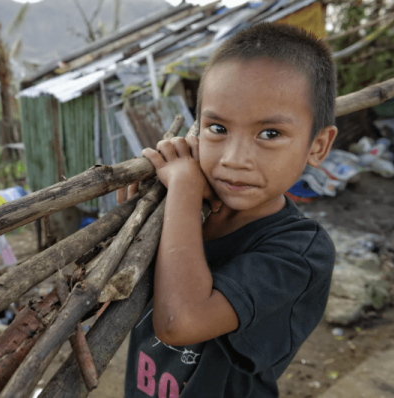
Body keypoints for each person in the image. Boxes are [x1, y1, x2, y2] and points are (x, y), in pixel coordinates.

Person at [119, 23, 338, 397]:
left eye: (269, 134)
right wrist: (140, 201)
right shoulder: (187, 209)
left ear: (317, 146)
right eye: (218, 127)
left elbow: (179, 322)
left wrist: (185, 188)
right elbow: (129, 267)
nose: (235, 160)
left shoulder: (301, 252)